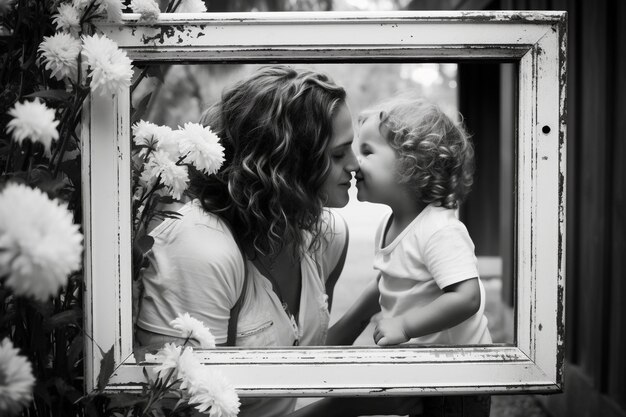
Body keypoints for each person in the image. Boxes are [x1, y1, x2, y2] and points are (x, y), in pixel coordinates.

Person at [135, 65, 421, 417]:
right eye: (337, 154)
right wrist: (347, 405)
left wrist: (375, 298)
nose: (355, 165)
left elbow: (300, 357)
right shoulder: (201, 250)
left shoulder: (325, 237)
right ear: (287, 164)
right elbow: (185, 411)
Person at [334, 96, 492, 416]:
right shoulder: (391, 223)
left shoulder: (438, 230)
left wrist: (404, 325)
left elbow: (466, 297)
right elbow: (387, 280)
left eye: (366, 151)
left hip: (457, 375)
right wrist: (347, 328)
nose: (353, 162)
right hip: (425, 367)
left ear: (411, 164)